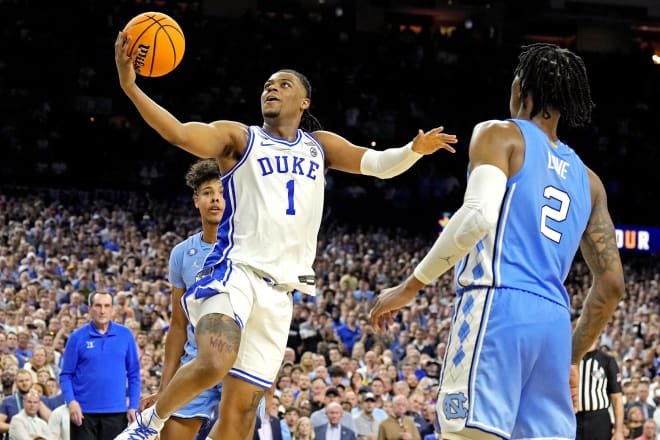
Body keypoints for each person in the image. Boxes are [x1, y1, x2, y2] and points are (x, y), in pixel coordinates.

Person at [113, 28, 457, 440]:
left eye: (283, 84)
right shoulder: (240, 138)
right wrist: (131, 88)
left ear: (304, 101)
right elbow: (180, 132)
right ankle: (149, 425)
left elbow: (380, 164)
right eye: (267, 85)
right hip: (235, 271)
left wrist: (413, 151)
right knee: (214, 359)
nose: (272, 88)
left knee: (240, 416)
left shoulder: (320, 146)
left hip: (281, 293)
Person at [369, 43, 625, 439]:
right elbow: (611, 287)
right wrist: (570, 357)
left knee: (467, 433)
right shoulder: (590, 182)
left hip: (498, 307)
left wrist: (411, 286)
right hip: (554, 325)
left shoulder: (499, 134)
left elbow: (477, 216)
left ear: (521, 87)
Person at [139, 158, 225, 440]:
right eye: (208, 192)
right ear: (196, 201)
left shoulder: (251, 249)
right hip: (194, 365)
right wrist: (165, 387)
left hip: (238, 369)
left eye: (223, 192)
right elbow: (177, 325)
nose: (216, 199)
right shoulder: (181, 253)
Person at [59, 291, 141, 439]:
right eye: (98, 306)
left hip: (117, 413)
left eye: (106, 306)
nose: (102, 310)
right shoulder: (77, 337)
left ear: (112, 309)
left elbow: (134, 374)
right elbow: (66, 375)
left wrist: (133, 406)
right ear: (90, 308)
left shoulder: (125, 335)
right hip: (83, 414)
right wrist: (71, 402)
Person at [575, 340, 624, 440]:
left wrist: (619, 431)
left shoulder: (607, 360)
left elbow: (617, 398)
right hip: (573, 418)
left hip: (599, 419)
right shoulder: (568, 359)